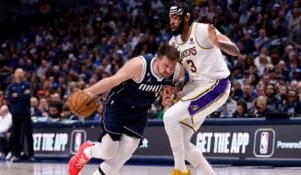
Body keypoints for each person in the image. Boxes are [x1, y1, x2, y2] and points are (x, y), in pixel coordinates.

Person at [68, 44, 184, 175]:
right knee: (108, 151)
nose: (169, 70)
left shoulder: (178, 71)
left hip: (140, 112)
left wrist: (169, 90)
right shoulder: (139, 66)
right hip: (118, 106)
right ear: (157, 60)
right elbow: (111, 81)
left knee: (121, 158)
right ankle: (87, 151)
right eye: (166, 66)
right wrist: (89, 91)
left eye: (172, 67)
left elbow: (178, 82)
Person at [164, 2, 240, 175]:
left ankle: (179, 170)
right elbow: (181, 72)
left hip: (216, 84)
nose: (172, 22)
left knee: (169, 117)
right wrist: (173, 87)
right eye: (170, 18)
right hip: (195, 87)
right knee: (182, 142)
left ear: (187, 18)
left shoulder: (203, 30)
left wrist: (218, 43)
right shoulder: (173, 42)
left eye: (176, 18)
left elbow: (235, 51)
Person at [7, 68, 35, 162]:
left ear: (23, 74)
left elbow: (28, 96)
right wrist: (21, 95)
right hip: (15, 112)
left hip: (26, 112)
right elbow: (10, 99)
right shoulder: (11, 86)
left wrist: (17, 96)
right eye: (17, 73)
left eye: (21, 73)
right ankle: (17, 155)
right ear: (14, 75)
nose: (19, 74)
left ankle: (31, 155)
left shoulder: (28, 84)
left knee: (29, 134)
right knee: (16, 134)